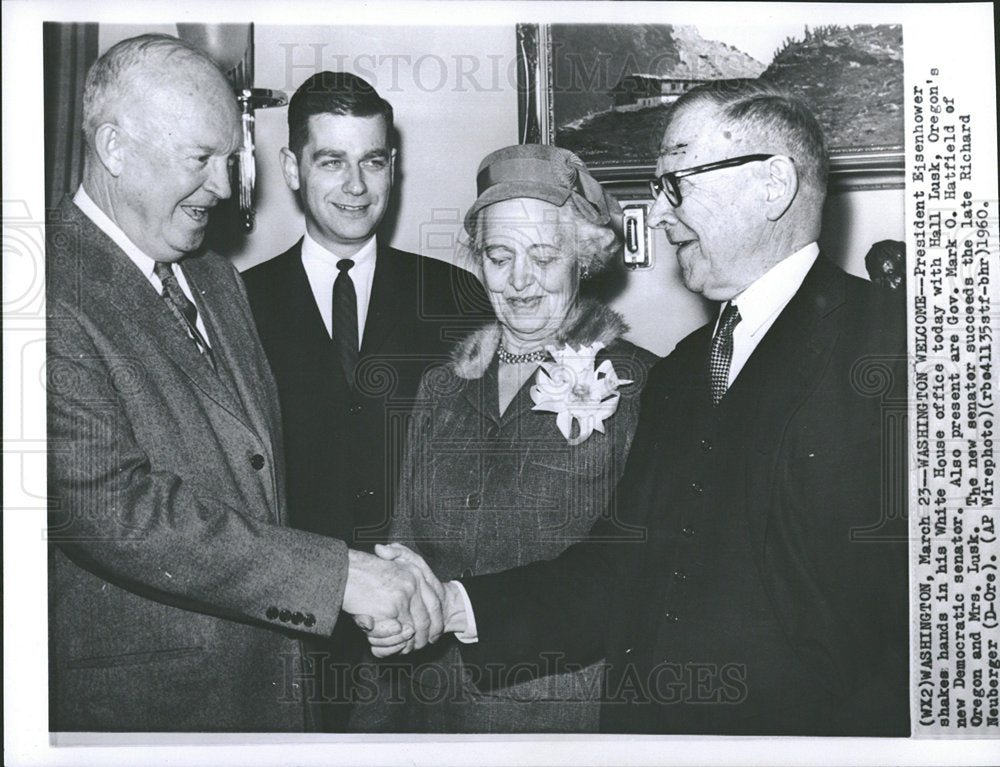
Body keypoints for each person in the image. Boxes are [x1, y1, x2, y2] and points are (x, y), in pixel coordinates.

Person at [370, 79, 910, 736]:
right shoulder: (688, 367)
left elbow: (908, 638)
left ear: (773, 186)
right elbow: (619, 565)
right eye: (498, 256)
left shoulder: (897, 346)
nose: (655, 215)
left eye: (676, 182)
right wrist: (454, 604)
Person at [46, 34, 443, 732]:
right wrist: (340, 576)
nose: (225, 188)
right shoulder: (40, 291)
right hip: (149, 708)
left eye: (229, 161)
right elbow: (111, 507)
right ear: (114, 148)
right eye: (201, 160)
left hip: (273, 687)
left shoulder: (212, 276)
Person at [356, 144, 657, 732]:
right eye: (499, 255)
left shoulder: (639, 386)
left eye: (544, 256)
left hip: (560, 719)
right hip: (432, 712)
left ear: (584, 258)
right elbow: (403, 554)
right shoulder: (441, 387)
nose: (520, 281)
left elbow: (633, 580)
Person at [241, 71, 490, 729]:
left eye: (372, 161)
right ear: (292, 168)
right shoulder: (236, 306)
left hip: (425, 646)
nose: (356, 186)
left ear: (393, 167)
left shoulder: (457, 297)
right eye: (332, 161)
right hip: (289, 642)